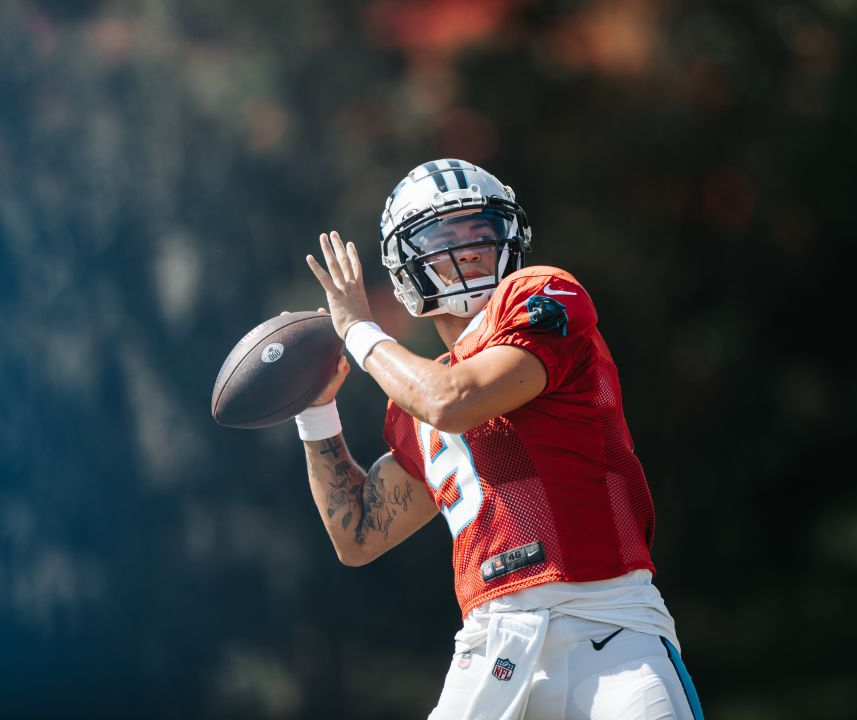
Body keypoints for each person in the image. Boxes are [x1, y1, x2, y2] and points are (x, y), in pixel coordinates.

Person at [295, 159, 704, 720]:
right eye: (442, 236)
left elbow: (453, 400)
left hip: (610, 631)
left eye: (479, 230)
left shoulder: (542, 294)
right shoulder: (414, 396)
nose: (466, 248)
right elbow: (358, 535)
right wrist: (316, 413)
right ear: (405, 265)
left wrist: (361, 333)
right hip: (488, 650)